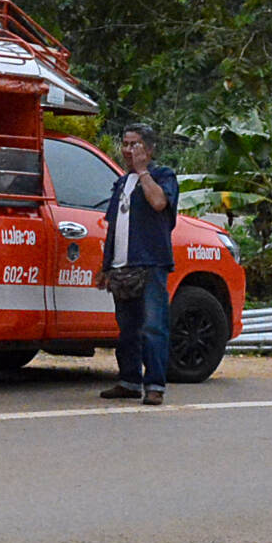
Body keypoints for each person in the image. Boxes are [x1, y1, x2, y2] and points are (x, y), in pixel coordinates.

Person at [98, 120, 178, 405]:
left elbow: (158, 203)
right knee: (127, 328)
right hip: (122, 266)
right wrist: (106, 265)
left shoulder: (163, 176)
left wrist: (143, 172)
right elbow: (113, 225)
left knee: (153, 326)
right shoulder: (121, 182)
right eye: (126, 144)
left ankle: (155, 383)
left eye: (136, 145)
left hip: (151, 264)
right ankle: (129, 380)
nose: (129, 150)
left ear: (150, 149)